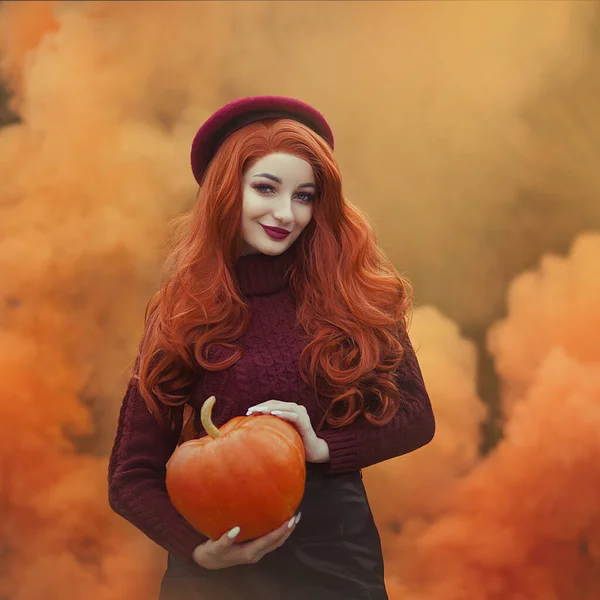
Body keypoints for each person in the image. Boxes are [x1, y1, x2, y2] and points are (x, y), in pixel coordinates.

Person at [107, 96, 435, 600]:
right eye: (265, 188)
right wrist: (197, 550)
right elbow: (130, 475)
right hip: (215, 581)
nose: (286, 213)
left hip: (335, 567)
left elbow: (415, 418)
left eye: (304, 196)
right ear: (225, 192)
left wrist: (324, 447)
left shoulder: (356, 294)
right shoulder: (180, 311)